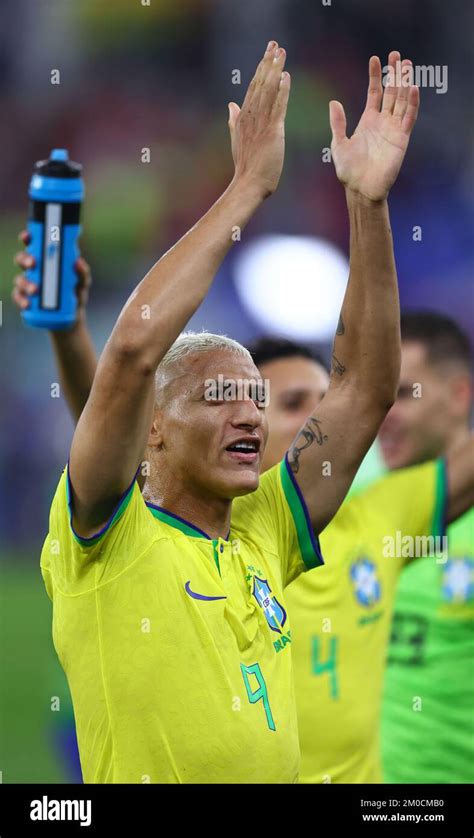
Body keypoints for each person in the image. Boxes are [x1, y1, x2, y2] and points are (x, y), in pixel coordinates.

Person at [17, 45, 421, 783]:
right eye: (218, 395)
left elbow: (364, 387)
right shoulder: (107, 535)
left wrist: (367, 203)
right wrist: (245, 190)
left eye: (257, 400)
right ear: (153, 430)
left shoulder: (263, 530)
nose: (251, 416)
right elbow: (135, 349)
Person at [250, 334, 473, 783]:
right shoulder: (210, 531)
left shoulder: (376, 511)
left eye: (328, 405)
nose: (323, 422)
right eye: (296, 404)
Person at [380, 313, 473, 784]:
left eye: (401, 394)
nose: (381, 414)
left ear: (459, 395)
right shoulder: (339, 503)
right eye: (377, 394)